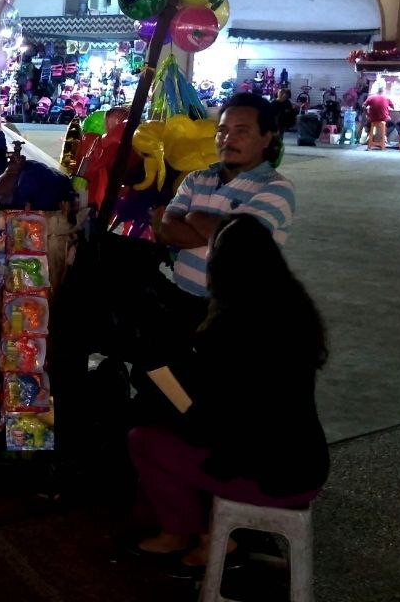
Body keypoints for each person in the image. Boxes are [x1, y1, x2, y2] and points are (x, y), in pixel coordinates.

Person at [128, 213, 329, 571]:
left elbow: (209, 425)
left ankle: (194, 535)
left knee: (146, 439)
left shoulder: (232, 328)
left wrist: (165, 383)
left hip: (270, 478)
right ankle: (209, 532)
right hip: (306, 467)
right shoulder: (293, 310)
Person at [154, 93, 295, 357]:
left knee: (216, 390)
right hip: (181, 300)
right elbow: (166, 229)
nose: (227, 138)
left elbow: (240, 247)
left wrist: (193, 217)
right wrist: (218, 231)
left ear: (267, 138)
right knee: (165, 378)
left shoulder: (276, 188)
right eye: (222, 130)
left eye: (241, 131)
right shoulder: (198, 177)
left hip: (237, 313)